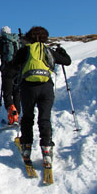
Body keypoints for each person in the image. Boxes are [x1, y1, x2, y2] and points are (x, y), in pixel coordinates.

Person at [13, 26, 71, 170]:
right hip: (46, 87)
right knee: (44, 118)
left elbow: (12, 66)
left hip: (28, 88)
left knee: (27, 117)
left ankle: (26, 148)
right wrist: (62, 52)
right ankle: (46, 150)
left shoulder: (25, 50)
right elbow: (67, 61)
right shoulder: (48, 50)